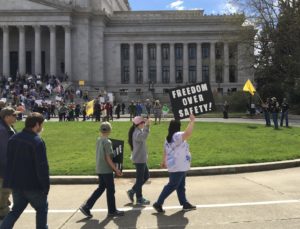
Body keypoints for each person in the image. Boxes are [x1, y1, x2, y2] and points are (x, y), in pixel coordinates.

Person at [1, 112, 49, 229]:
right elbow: (42, 167)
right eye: (41, 125)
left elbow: (9, 163)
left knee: (15, 210)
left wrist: (9, 182)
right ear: (37, 125)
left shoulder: (13, 139)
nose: (42, 127)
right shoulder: (37, 141)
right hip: (33, 185)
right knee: (42, 208)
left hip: (17, 185)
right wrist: (45, 186)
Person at [79, 122, 124, 218]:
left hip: (99, 168)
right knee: (111, 190)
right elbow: (108, 158)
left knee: (101, 188)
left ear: (100, 130)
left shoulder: (99, 140)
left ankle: (87, 206)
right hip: (106, 170)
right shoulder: (107, 142)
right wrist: (116, 169)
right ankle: (112, 211)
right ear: (110, 130)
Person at [153, 114, 197, 213]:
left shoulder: (168, 137)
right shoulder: (177, 136)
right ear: (178, 126)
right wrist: (192, 121)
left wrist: (163, 161)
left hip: (176, 165)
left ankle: (184, 203)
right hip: (178, 166)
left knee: (181, 185)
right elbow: (187, 134)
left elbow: (165, 150)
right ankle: (158, 203)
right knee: (172, 185)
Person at [127, 116, 151, 205]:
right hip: (139, 159)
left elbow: (144, 136)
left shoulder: (138, 131)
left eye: (144, 123)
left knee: (146, 176)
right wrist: (147, 126)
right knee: (140, 179)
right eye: (142, 123)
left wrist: (146, 125)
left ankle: (132, 191)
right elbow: (143, 137)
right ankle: (139, 198)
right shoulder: (136, 133)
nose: (144, 124)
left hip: (142, 158)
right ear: (138, 124)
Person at [0, 107, 18, 220]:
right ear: (7, 117)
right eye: (14, 115)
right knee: (5, 190)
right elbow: (4, 152)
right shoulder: (2, 130)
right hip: (4, 167)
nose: (16, 117)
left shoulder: (7, 127)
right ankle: (3, 211)